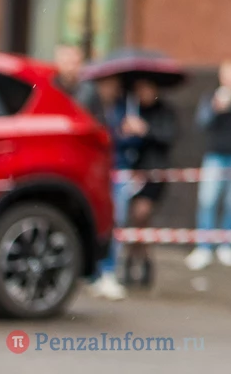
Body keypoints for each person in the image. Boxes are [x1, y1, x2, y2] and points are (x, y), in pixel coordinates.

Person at [187, 60, 231, 271]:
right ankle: (204, 246)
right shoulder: (210, 97)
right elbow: (201, 123)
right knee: (208, 200)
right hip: (215, 156)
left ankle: (227, 245)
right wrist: (215, 109)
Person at [116, 77, 177, 290]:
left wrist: (145, 130)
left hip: (155, 173)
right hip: (134, 173)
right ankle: (141, 259)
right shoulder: (131, 110)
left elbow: (169, 136)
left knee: (141, 214)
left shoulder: (164, 112)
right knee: (137, 221)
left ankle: (136, 259)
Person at [88, 75, 130, 300]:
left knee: (115, 221)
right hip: (97, 173)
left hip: (115, 172)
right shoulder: (92, 107)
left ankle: (108, 271)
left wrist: (125, 133)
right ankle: (95, 273)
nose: (110, 90)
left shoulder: (122, 110)